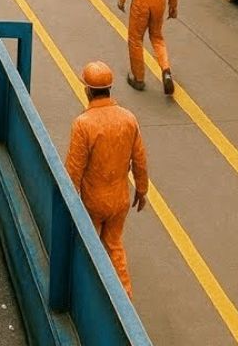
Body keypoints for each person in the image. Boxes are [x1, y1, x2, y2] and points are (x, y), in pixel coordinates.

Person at [64, 61, 149, 298]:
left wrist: (68, 202)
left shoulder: (83, 124)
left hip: (92, 201)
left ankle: (87, 296)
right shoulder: (128, 119)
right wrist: (141, 190)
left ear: (87, 90)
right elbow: (140, 160)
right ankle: (124, 295)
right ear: (110, 88)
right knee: (114, 245)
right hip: (120, 200)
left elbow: (74, 169)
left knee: (88, 248)